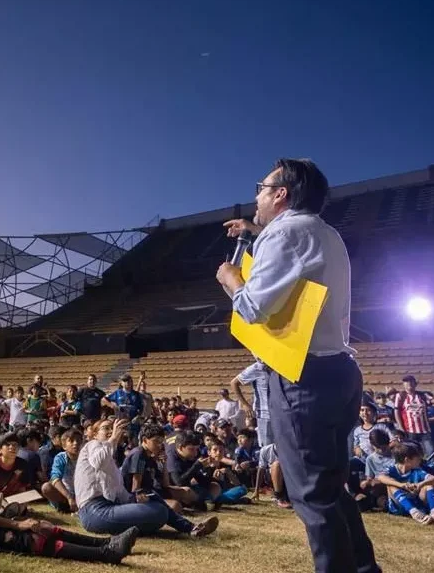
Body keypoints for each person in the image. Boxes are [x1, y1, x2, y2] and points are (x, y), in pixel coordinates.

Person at [216, 158, 378, 573]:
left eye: (261, 186)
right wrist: (255, 233)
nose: (256, 195)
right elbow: (297, 258)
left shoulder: (285, 234)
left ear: (280, 194)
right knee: (330, 488)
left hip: (302, 377)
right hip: (337, 369)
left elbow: (253, 308)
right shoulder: (324, 232)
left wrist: (231, 279)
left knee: (311, 494)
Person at [0, 424, 137, 563]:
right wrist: (17, 524)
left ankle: (106, 542)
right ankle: (105, 553)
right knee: (33, 538)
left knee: (43, 526)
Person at [74, 417, 217, 538]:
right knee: (160, 510)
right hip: (94, 511)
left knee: (156, 504)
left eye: (113, 428)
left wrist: (135, 499)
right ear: (94, 434)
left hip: (109, 506)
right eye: (106, 428)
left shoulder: (111, 458)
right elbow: (97, 462)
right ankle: (189, 527)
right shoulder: (92, 445)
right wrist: (113, 438)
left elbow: (121, 492)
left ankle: (191, 528)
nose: (111, 430)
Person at [232, 359, 271, 446]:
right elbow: (234, 383)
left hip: (279, 413)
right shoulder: (256, 368)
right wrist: (245, 404)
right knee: (267, 446)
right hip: (264, 414)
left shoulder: (277, 369)